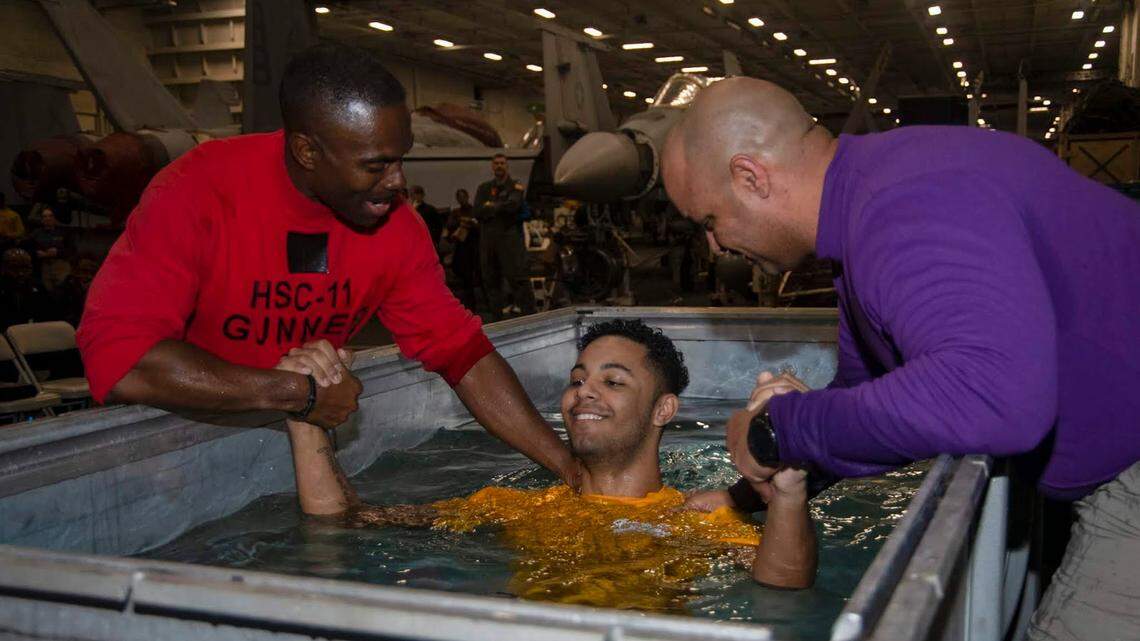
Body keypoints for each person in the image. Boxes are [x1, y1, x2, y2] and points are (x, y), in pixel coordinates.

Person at [661, 76, 1140, 641]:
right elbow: (870, 390)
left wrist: (776, 432)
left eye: (709, 222)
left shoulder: (904, 207)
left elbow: (993, 396)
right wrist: (748, 494)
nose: (715, 247)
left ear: (751, 177)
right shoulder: (870, 201)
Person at [77, 42, 579, 487]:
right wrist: (296, 393)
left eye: (400, 158)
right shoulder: (196, 192)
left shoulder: (396, 227)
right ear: (306, 151)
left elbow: (463, 355)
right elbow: (123, 361)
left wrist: (570, 469)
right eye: (375, 165)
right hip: (161, 463)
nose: (398, 181)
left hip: (288, 448)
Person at [279, 319, 817, 610]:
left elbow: (784, 587)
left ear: (663, 410)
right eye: (577, 379)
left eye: (613, 381)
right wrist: (306, 414)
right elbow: (343, 522)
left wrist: (789, 486)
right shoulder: (516, 507)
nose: (584, 392)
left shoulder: (694, 518)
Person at [474, 154, 536, 319]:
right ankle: (497, 320)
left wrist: (490, 206)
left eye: (502, 163)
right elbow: (477, 211)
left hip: (510, 240)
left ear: (507, 166)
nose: (499, 166)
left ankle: (531, 318)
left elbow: (513, 206)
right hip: (488, 242)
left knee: (518, 280)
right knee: (491, 281)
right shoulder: (484, 188)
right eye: (496, 163)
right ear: (492, 166)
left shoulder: (515, 186)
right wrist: (499, 207)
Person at [442, 187, 481, 311]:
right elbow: (449, 228)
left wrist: (471, 223)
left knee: (478, 277)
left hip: (474, 247)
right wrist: (460, 222)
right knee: (464, 279)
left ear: (467, 197)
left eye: (463, 196)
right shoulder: (455, 213)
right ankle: (469, 305)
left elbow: (480, 227)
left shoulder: (475, 211)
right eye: (459, 197)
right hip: (461, 249)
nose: (461, 199)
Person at [0, 248, 53, 331]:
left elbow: (48, 318)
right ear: (3, 268)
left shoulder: (38, 289)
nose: (21, 273)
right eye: (14, 268)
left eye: (25, 268)